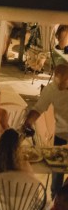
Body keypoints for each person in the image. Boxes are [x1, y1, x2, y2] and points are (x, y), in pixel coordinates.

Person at [23, 63, 68, 198]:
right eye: (58, 82)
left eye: (64, 83)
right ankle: (55, 199)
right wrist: (28, 122)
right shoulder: (51, 89)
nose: (60, 87)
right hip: (61, 132)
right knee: (57, 169)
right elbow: (38, 108)